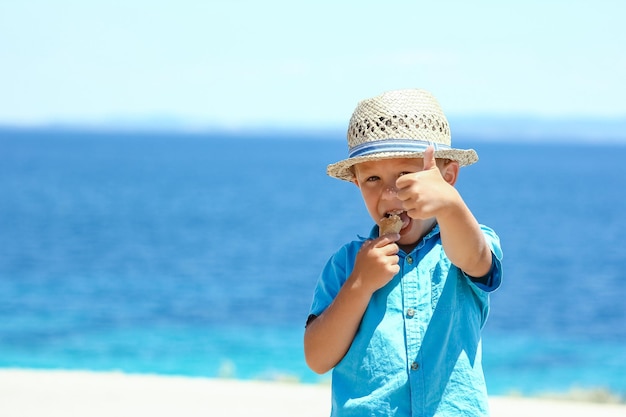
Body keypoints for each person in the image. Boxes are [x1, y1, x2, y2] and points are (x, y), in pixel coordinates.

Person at [304, 88, 503, 416]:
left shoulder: (466, 242)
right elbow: (317, 357)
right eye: (372, 178)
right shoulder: (346, 265)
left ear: (447, 177)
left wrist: (450, 204)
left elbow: (475, 259)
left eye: (407, 176)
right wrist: (360, 284)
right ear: (355, 183)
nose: (389, 192)